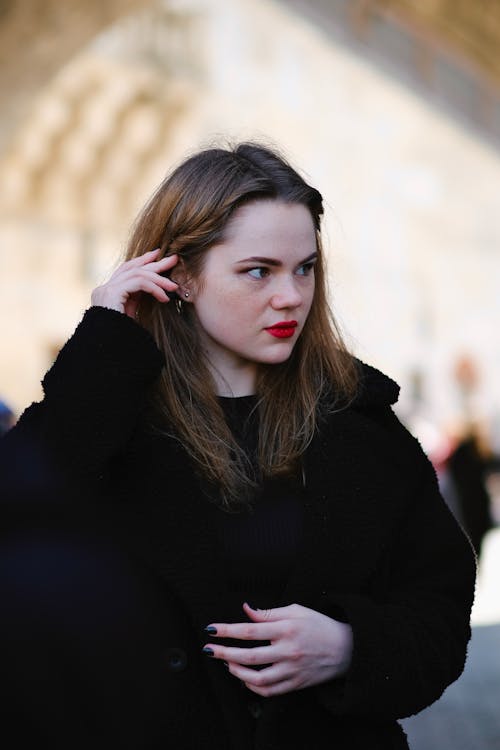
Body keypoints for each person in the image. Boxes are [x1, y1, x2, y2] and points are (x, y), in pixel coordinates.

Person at [0, 142, 476, 749]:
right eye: (259, 271)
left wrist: (352, 647)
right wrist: (105, 342)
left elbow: (438, 609)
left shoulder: (361, 428)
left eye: (305, 268)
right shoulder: (108, 414)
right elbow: (21, 529)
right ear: (184, 275)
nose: (291, 297)